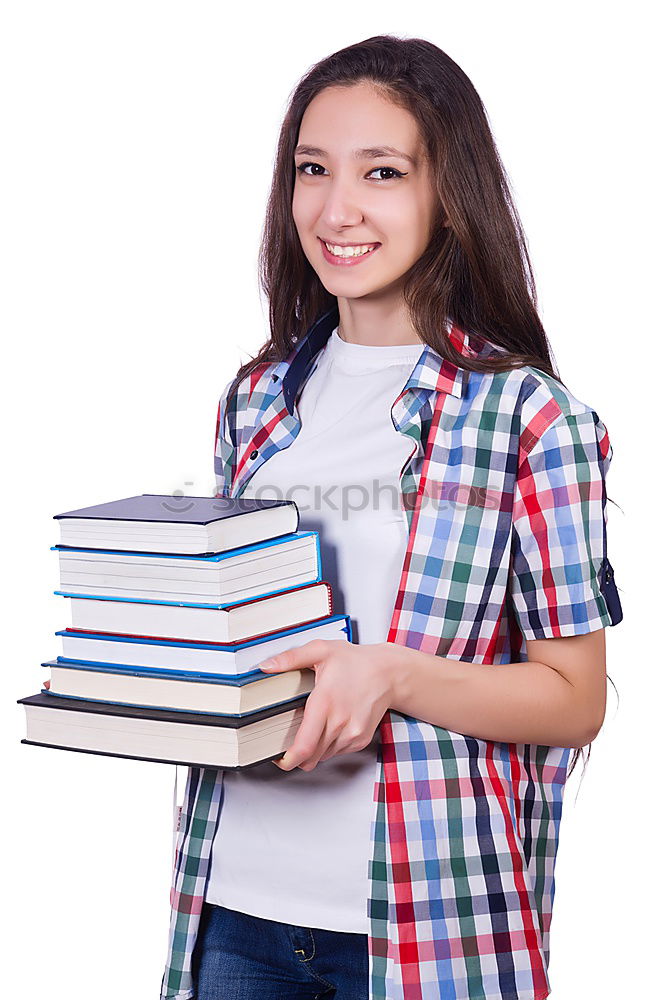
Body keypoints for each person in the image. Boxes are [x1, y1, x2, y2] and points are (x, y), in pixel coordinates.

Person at [160, 34, 624, 1000]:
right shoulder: (254, 401)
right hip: (235, 908)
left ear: (445, 193)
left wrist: (393, 675)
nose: (337, 210)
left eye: (382, 172)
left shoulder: (529, 417)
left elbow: (574, 700)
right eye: (312, 170)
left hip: (426, 918)